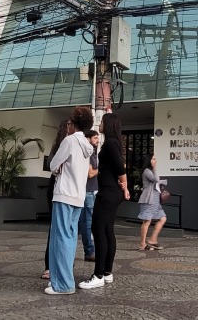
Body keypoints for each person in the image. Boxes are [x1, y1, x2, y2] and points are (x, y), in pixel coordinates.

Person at [45, 106, 94, 295]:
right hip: (78, 197)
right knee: (70, 238)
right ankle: (60, 281)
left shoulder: (69, 141)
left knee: (60, 239)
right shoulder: (87, 146)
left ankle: (63, 284)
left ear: (73, 123)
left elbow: (53, 165)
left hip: (64, 194)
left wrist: (58, 169)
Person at [79, 113, 130, 290]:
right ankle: (107, 273)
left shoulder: (110, 143)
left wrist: (125, 186)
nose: (99, 124)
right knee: (107, 231)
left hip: (108, 193)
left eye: (102, 122)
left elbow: (119, 166)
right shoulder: (114, 143)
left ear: (108, 125)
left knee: (98, 230)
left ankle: (98, 275)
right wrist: (123, 186)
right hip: (111, 192)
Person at [41, 119, 73, 281]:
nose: (72, 128)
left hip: (71, 189)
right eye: (69, 125)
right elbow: (52, 164)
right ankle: (49, 265)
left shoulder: (76, 142)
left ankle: (64, 264)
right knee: (55, 227)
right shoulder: (59, 144)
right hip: (57, 188)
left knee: (68, 229)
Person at [137, 154, 167, 250]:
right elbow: (156, 179)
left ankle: (153, 240)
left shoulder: (151, 171)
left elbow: (156, 181)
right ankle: (142, 244)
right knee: (147, 221)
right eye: (153, 159)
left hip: (155, 200)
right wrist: (155, 169)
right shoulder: (147, 171)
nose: (155, 161)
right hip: (148, 200)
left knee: (163, 218)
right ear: (149, 160)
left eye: (155, 159)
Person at [79, 129, 99, 262]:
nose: (98, 141)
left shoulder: (93, 153)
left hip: (92, 190)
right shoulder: (88, 153)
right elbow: (90, 174)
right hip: (88, 191)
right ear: (88, 138)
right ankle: (89, 251)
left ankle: (90, 250)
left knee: (88, 222)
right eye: (95, 138)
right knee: (87, 222)